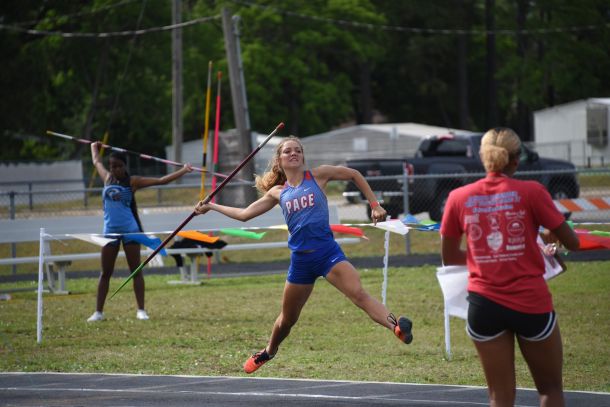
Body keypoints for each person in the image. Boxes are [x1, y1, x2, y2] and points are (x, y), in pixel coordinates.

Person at [194, 136, 413, 374]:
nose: (293, 153)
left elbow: (353, 174)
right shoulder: (278, 192)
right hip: (301, 262)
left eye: (297, 150)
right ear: (279, 160)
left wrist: (374, 204)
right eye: (288, 151)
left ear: (302, 156)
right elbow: (244, 215)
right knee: (287, 320)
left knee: (359, 294)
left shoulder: (318, 176)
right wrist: (211, 206)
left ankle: (396, 327)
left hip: (328, 254)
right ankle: (268, 351)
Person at [440, 128, 579, 407]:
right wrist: (547, 238)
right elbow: (572, 242)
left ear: (483, 157)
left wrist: (488, 257)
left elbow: (450, 257)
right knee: (550, 390)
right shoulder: (533, 192)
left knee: (499, 397)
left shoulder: (457, 197)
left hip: (483, 305)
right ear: (516, 160)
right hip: (530, 303)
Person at [87, 141, 193, 322]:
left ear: (125, 166)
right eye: (112, 166)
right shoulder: (107, 178)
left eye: (118, 166)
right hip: (110, 232)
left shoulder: (132, 181)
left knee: (135, 271)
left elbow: (161, 180)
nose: (115, 169)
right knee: (105, 273)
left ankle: (141, 310)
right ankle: (98, 312)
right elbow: (96, 161)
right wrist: (94, 146)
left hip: (131, 231)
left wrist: (183, 170)